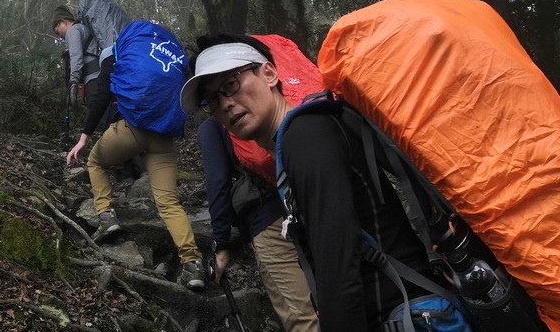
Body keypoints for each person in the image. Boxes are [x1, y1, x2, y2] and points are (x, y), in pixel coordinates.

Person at [181, 35, 441, 332]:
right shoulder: (297, 139)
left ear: (269, 74)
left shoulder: (305, 137)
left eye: (231, 84)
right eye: (213, 99)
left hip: (406, 315)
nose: (225, 103)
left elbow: (338, 269)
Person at [65, 20, 206, 291]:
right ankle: (193, 263)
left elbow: (103, 94)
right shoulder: (170, 54)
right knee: (168, 202)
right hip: (164, 136)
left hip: (131, 127)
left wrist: (84, 136)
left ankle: (106, 217)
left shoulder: (115, 52)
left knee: (96, 162)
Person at [197, 116, 318, 331]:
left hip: (267, 222)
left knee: (300, 314)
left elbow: (217, 182)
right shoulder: (263, 110)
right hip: (305, 206)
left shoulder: (213, 126)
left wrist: (221, 244)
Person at [51, 4, 102, 112]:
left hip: (94, 78)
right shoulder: (82, 28)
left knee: (98, 115)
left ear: (63, 22)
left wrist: (73, 81)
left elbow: (76, 57)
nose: (59, 36)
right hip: (99, 75)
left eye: (57, 31)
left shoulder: (73, 30)